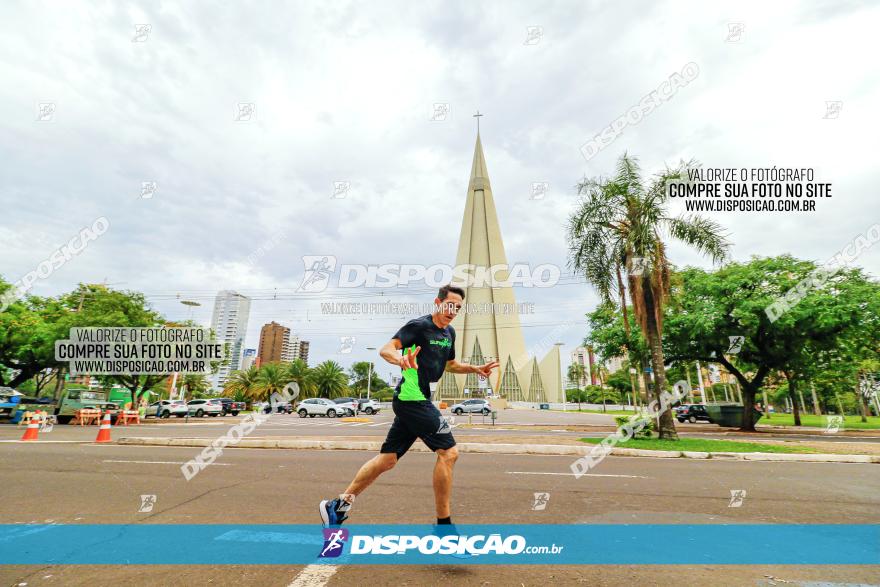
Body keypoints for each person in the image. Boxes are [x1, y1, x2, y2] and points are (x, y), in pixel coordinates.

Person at [319, 284, 499, 527]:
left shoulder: (449, 334)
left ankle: (338, 506)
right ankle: (444, 528)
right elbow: (386, 350)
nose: (453, 310)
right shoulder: (419, 327)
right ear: (437, 303)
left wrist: (474, 368)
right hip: (411, 398)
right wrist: (401, 358)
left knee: (387, 460)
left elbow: (450, 365)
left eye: (458, 307)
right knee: (449, 453)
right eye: (449, 305)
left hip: (416, 400)